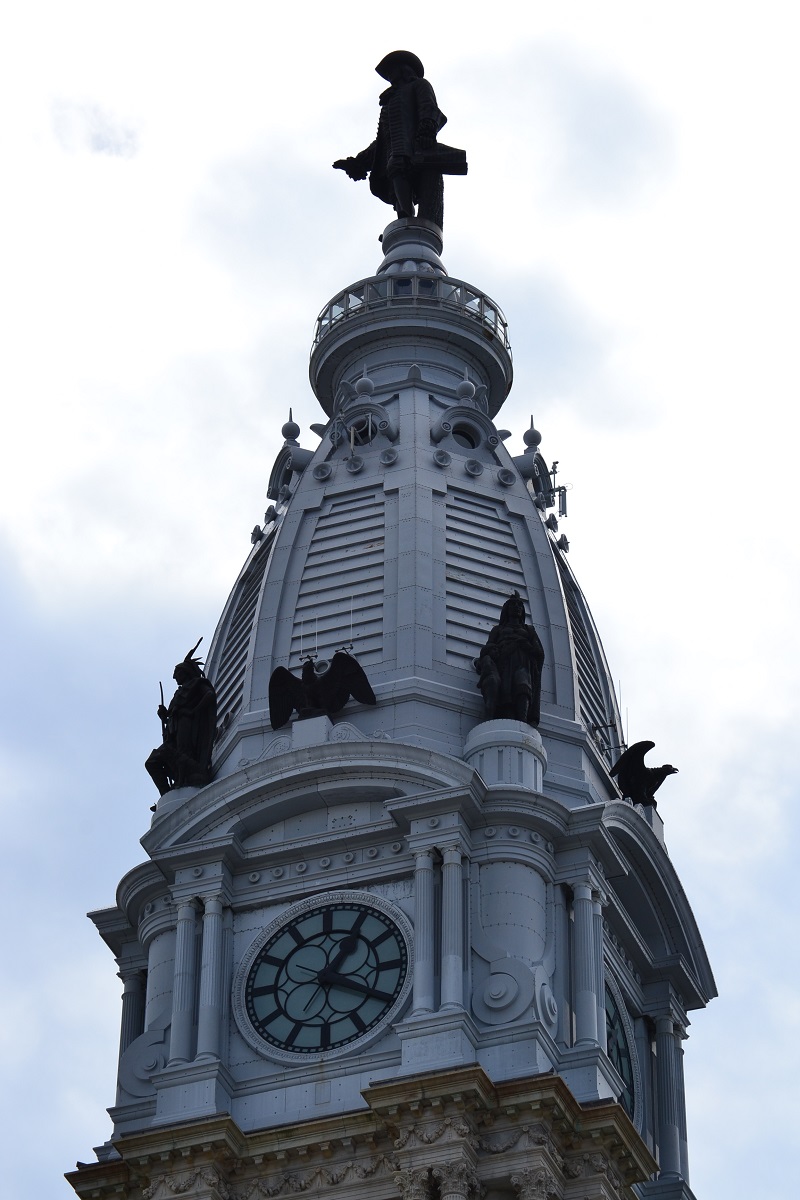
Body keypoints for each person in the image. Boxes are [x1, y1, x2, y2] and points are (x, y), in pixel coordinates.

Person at [333, 50, 466, 229]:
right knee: (393, 178)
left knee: (398, 168)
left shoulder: (419, 85)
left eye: (391, 70)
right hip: (393, 149)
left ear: (403, 69)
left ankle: (406, 216)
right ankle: (404, 219)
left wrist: (426, 132)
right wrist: (358, 162)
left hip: (412, 145)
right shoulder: (389, 100)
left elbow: (429, 108)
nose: (389, 76)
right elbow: (382, 140)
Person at [145, 641, 217, 798]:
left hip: (187, 726)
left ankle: (183, 781)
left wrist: (194, 711)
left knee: (184, 755)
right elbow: (173, 714)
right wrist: (165, 715)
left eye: (177, 673)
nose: (174, 676)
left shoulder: (197, 684)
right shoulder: (178, 693)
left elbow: (210, 695)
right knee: (152, 762)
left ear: (185, 672)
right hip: (173, 732)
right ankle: (166, 794)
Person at [475, 592, 545, 726]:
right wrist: (493, 650)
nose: (517, 607)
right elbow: (488, 647)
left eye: (520, 605)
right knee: (506, 692)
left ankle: (523, 720)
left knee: (523, 685)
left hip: (523, 663)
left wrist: (524, 644)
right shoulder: (498, 629)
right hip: (504, 663)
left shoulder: (529, 630)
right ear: (506, 609)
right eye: (513, 605)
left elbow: (539, 653)